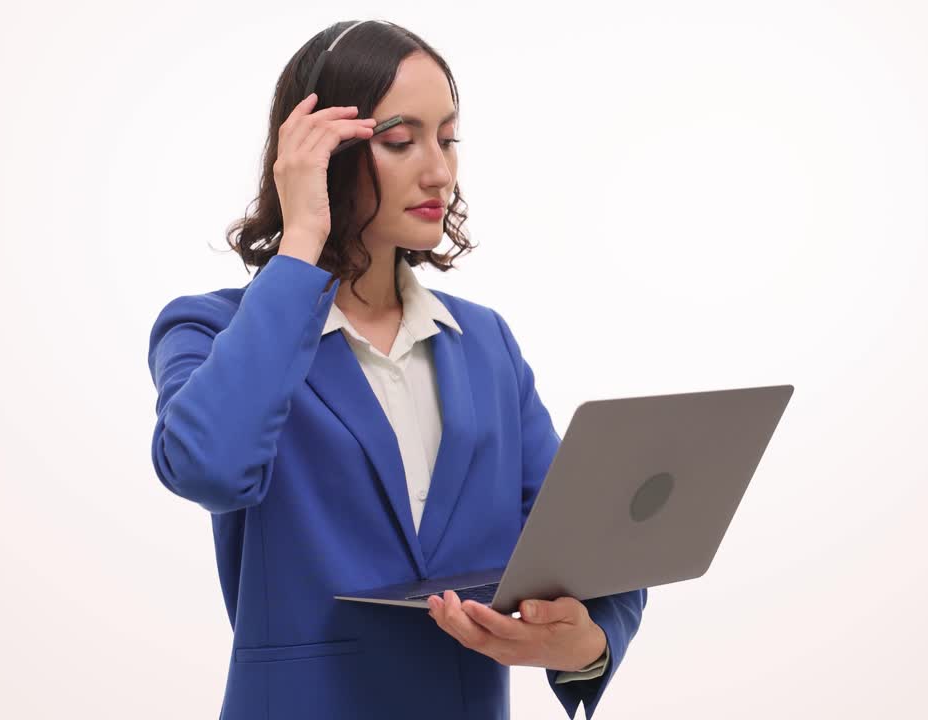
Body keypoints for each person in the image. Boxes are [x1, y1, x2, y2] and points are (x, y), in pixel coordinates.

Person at [145, 19, 646, 720]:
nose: (438, 169)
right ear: (319, 154)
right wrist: (301, 242)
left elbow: (582, 546)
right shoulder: (211, 329)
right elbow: (209, 468)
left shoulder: (485, 343)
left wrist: (587, 643)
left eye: (447, 138)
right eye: (401, 139)